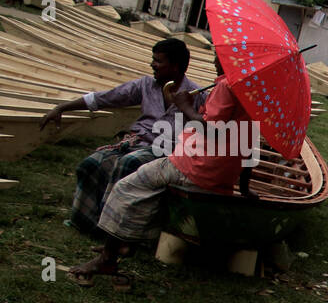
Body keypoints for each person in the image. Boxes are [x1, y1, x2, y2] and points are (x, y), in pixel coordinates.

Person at [68, 54, 255, 285]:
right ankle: (127, 243)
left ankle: (108, 257)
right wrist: (244, 185)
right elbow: (249, 138)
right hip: (221, 173)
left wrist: (184, 106)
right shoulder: (252, 91)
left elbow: (212, 130)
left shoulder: (227, 86)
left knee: (126, 188)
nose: (215, 61)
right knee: (151, 191)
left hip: (194, 164)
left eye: (218, 56)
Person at [40, 38, 205, 236]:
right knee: (91, 163)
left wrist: (184, 106)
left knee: (128, 163)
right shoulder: (146, 85)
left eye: (159, 61)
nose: (152, 65)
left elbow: (202, 130)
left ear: (176, 66)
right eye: (153, 59)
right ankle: (84, 221)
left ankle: (110, 228)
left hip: (166, 151)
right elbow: (106, 98)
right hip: (137, 142)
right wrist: (61, 108)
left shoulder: (196, 95)